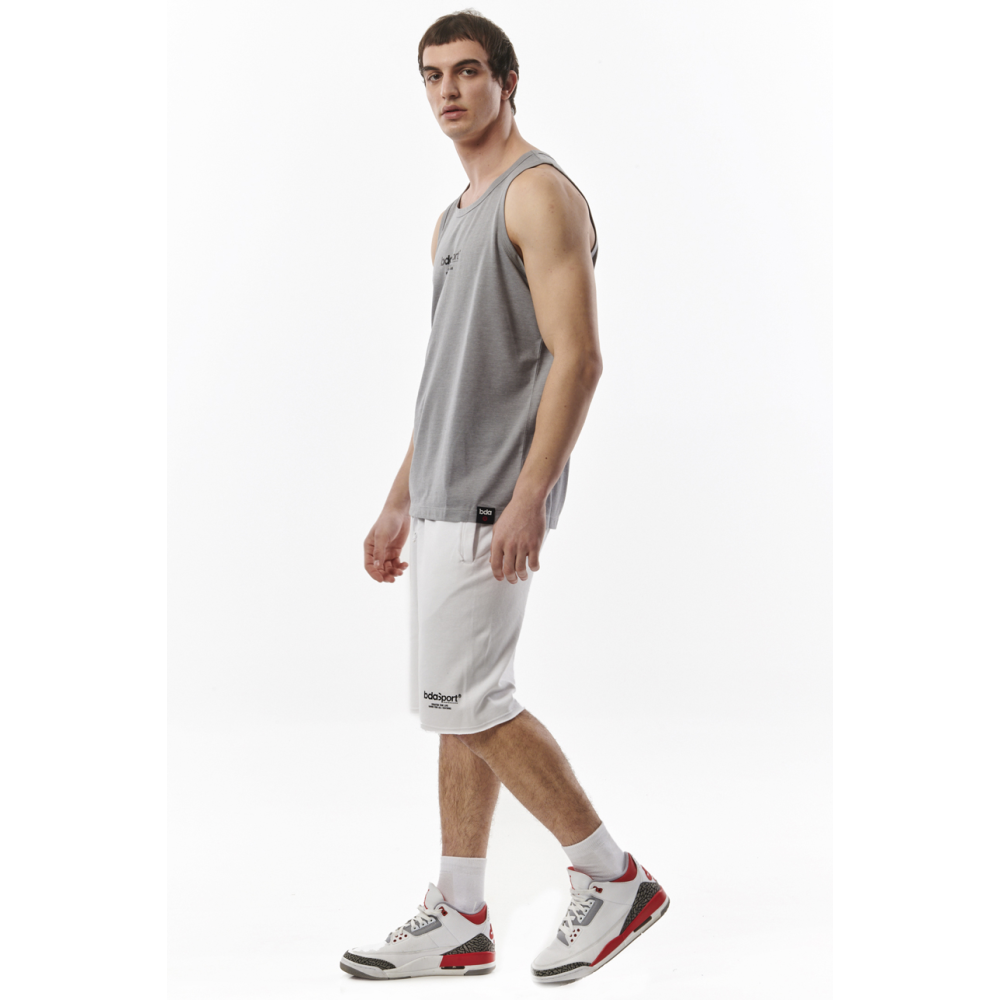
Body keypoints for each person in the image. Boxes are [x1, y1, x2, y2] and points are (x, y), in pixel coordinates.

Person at [342, 10, 668, 984]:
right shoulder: (453, 218)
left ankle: (611, 876)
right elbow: (448, 378)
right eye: (432, 75)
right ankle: (461, 915)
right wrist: (398, 499)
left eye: (467, 71)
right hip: (444, 497)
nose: (448, 90)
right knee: (458, 707)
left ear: (507, 81)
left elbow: (580, 357)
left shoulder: (538, 194)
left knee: (476, 705)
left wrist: (530, 494)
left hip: (492, 502)